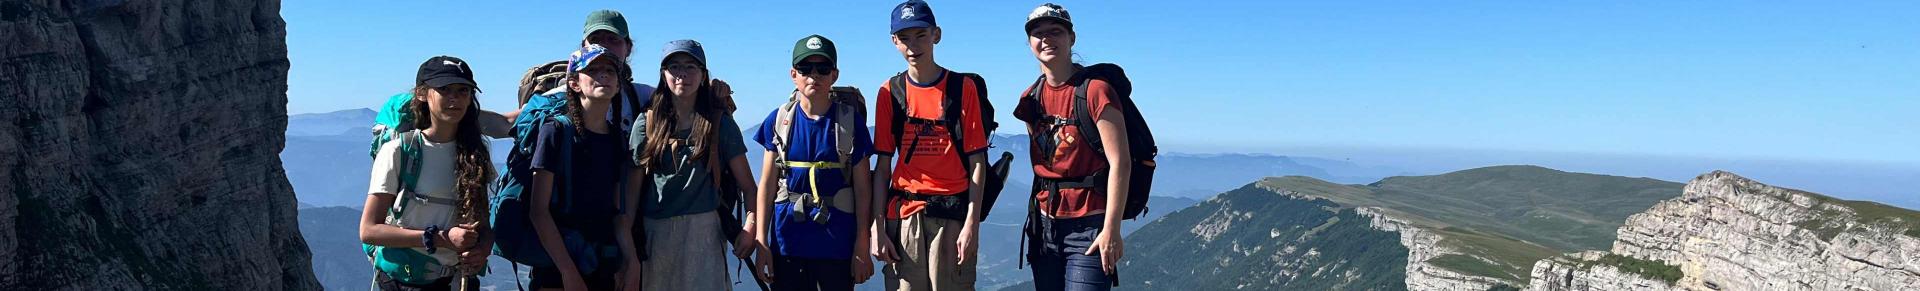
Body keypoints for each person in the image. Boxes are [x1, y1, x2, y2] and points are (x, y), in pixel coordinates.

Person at [871, 1, 992, 290]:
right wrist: (877, 225)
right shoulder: (890, 92)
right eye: (904, 38)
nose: (913, 46)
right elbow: (883, 165)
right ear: (894, 42)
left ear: (936, 34)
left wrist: (972, 224)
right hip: (903, 215)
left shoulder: (963, 89)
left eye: (920, 35)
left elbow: (978, 162)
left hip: (951, 216)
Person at [629, 39, 761, 290]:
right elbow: (631, 193)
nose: (682, 74)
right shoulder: (646, 123)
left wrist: (750, 227)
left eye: (690, 67)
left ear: (703, 75)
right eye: (674, 67)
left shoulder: (719, 124)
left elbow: (749, 186)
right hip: (654, 236)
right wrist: (628, 246)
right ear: (663, 75)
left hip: (705, 234)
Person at [359, 56, 496, 291]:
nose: (455, 98)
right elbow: (369, 230)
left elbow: (482, 221)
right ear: (422, 94)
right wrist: (441, 238)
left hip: (457, 280)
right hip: (404, 282)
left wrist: (482, 249)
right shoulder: (399, 151)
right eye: (444, 90)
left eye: (463, 91)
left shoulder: (475, 153)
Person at [752, 35, 876, 291]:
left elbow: (864, 188)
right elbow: (767, 183)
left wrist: (862, 243)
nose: (814, 76)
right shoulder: (779, 121)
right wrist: (761, 242)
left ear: (834, 75)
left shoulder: (850, 123)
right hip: (787, 241)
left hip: (838, 245)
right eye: (805, 69)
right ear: (793, 74)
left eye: (823, 69)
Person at [524, 45, 635, 291]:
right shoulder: (556, 132)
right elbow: (538, 212)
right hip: (556, 269)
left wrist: (631, 261)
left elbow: (617, 212)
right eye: (593, 70)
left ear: (618, 85)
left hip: (602, 265)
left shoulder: (617, 140)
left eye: (609, 70)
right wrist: (568, 272)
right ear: (574, 83)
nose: (603, 75)